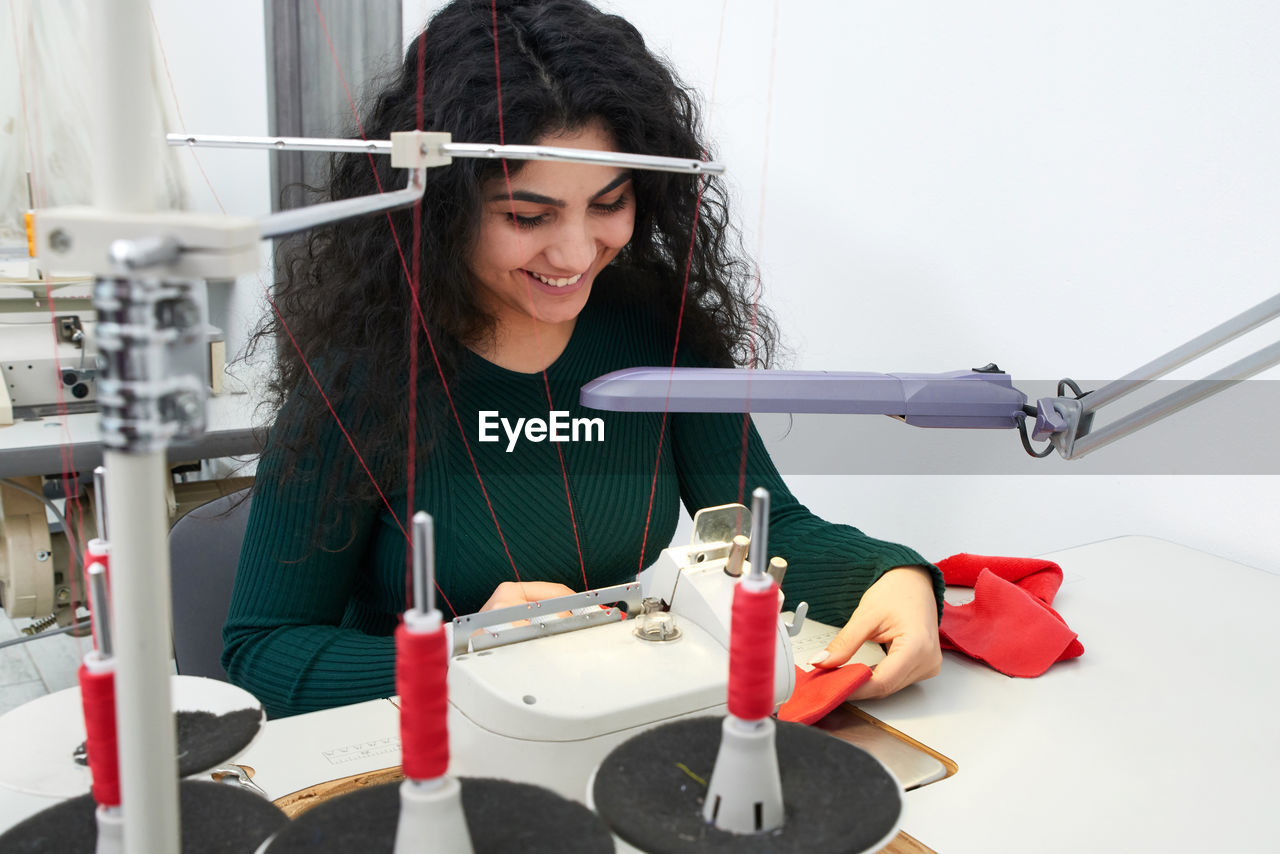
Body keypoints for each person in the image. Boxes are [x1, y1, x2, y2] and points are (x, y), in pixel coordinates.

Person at [226, 0, 944, 719]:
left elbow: (767, 534)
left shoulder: (658, 338)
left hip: (607, 719)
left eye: (608, 204)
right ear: (440, 207)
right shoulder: (361, 375)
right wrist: (463, 650)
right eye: (526, 217)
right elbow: (261, 649)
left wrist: (896, 576)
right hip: (423, 744)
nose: (574, 255)